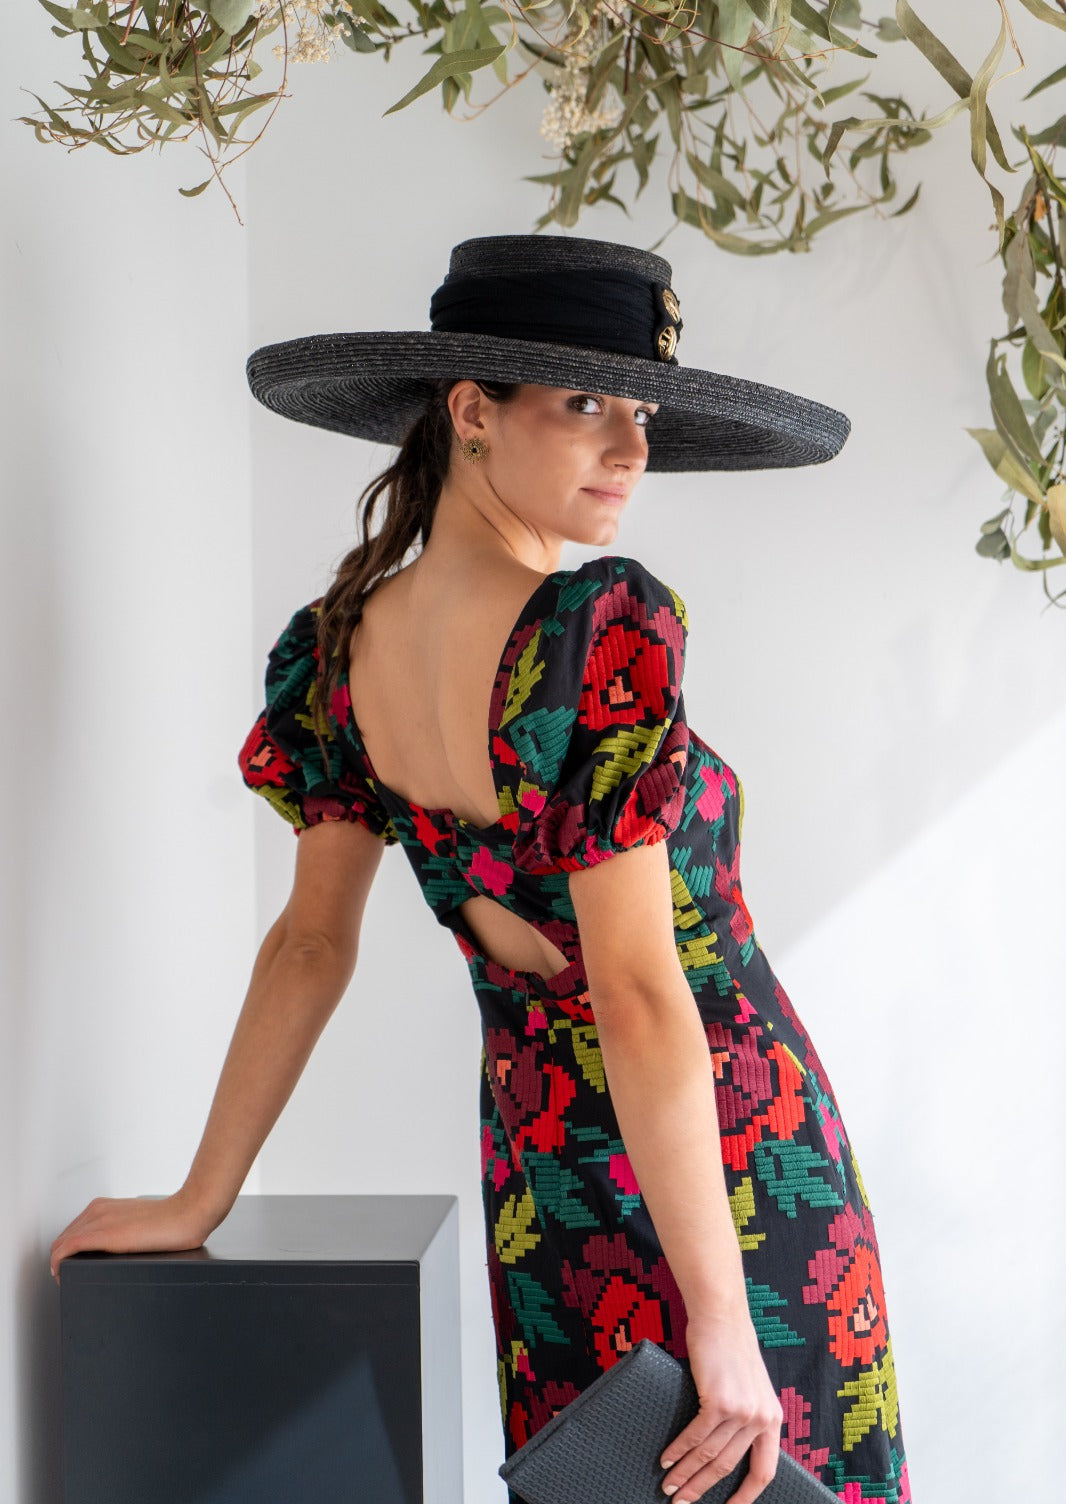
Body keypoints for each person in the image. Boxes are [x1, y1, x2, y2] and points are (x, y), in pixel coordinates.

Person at [50, 234, 910, 1504]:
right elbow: (636, 991)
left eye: (642, 410)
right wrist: (722, 1318)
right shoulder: (596, 628)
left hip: (541, 1168)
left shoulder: (336, 651)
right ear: (470, 410)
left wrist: (200, 1195)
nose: (632, 447)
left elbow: (309, 942)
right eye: (586, 403)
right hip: (730, 1168)